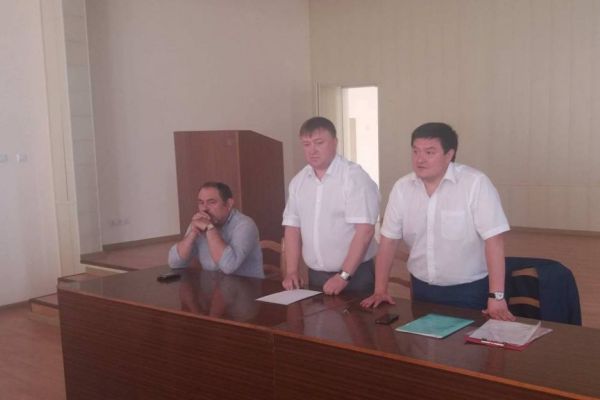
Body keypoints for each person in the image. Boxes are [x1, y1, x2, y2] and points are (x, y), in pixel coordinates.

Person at [361, 122, 515, 320]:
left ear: (449, 155)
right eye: (415, 151)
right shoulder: (402, 188)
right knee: (421, 338)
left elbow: (494, 242)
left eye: (429, 152)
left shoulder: (475, 184)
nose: (420, 159)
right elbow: (389, 241)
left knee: (467, 340)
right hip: (421, 288)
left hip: (469, 291)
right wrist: (380, 289)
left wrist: (496, 297)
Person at [282, 116, 380, 295]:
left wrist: (344, 276)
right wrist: (292, 271)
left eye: (319, 143)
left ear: (335, 142)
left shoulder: (354, 178)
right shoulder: (299, 182)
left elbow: (365, 231)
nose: (312, 150)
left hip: (355, 275)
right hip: (316, 275)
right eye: (306, 144)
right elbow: (292, 228)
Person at [168, 182, 264, 279]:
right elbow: (175, 263)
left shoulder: (245, 225)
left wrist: (210, 228)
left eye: (211, 202)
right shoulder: (199, 222)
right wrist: (192, 234)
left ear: (228, 204)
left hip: (247, 286)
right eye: (201, 203)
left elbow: (228, 266)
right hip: (213, 285)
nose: (204, 208)